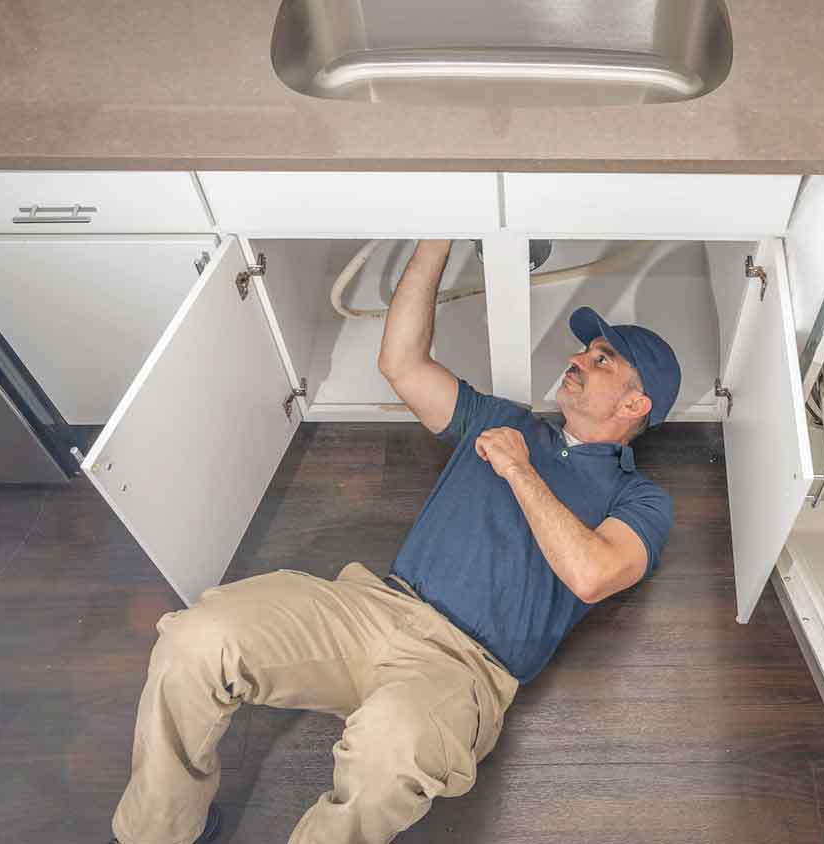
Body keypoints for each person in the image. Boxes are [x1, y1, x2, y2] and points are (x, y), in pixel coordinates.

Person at [109, 240, 680, 844]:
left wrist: (520, 471)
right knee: (197, 638)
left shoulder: (640, 501)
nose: (578, 358)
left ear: (635, 404)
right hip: (372, 609)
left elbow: (591, 574)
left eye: (602, 360)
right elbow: (402, 364)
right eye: (587, 349)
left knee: (392, 748)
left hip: (463, 670)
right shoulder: (502, 420)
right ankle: (158, 833)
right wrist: (437, 238)